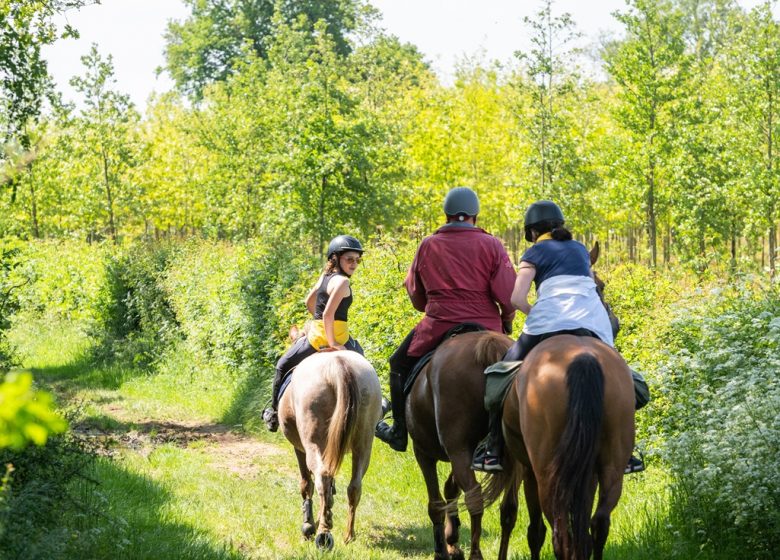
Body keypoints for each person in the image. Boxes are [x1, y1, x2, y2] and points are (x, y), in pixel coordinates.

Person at [471, 200, 648, 473]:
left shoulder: (533, 253)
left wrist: (534, 311)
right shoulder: (579, 250)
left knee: (500, 374)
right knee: (624, 375)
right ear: (560, 225)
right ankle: (626, 451)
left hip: (548, 321)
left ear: (531, 232)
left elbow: (516, 298)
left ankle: (492, 448)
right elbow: (590, 286)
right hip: (591, 320)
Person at [374, 186, 516, 452]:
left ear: (447, 214)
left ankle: (399, 432)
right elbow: (508, 295)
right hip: (487, 326)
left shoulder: (428, 244)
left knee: (398, 363)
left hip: (438, 324)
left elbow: (415, 291)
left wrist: (434, 306)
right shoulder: (493, 244)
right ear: (475, 215)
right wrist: (506, 321)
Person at [263, 235, 365, 432]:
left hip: (314, 338)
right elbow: (328, 314)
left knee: (282, 365)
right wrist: (334, 343)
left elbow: (309, 302)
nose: (354, 264)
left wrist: (316, 319)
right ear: (336, 258)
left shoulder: (324, 277)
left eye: (357, 260)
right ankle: (377, 411)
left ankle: (274, 413)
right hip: (338, 338)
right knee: (365, 365)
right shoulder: (343, 282)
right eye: (349, 259)